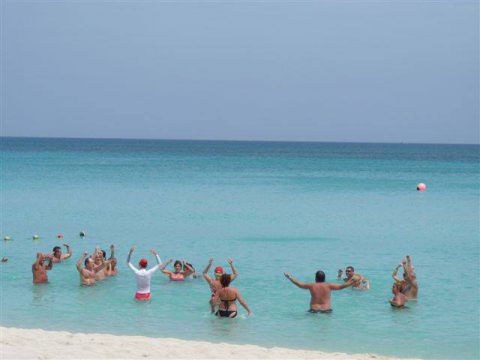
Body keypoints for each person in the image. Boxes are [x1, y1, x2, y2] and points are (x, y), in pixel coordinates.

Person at [284, 271, 355, 313]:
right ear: (324, 278)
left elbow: (299, 284)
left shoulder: (311, 285)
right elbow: (341, 286)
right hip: (326, 310)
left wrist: (289, 277)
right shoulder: (329, 285)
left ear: (315, 278)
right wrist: (353, 281)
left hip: (313, 310)